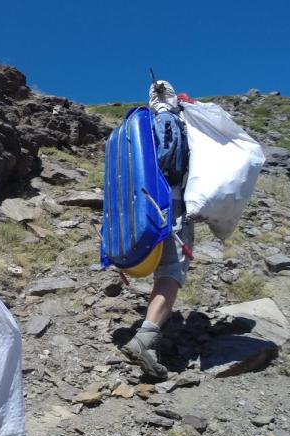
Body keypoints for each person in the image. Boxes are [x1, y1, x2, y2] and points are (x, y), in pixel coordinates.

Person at [120, 80, 193, 379]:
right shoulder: (177, 123)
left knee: (157, 268)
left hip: (138, 207)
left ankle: (148, 336)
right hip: (171, 204)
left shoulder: (134, 128)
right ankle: (145, 338)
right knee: (171, 271)